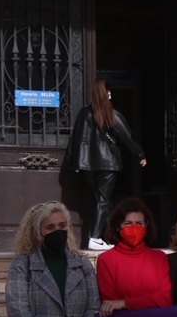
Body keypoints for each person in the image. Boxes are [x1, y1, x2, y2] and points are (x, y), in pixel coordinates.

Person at [63, 78, 147, 252]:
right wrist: (140, 154)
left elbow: (76, 140)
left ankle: (110, 237)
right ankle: (94, 237)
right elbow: (126, 137)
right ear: (107, 93)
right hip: (108, 164)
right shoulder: (111, 113)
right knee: (103, 200)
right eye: (109, 91)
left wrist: (75, 162)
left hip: (88, 165)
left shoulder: (84, 113)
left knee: (102, 200)